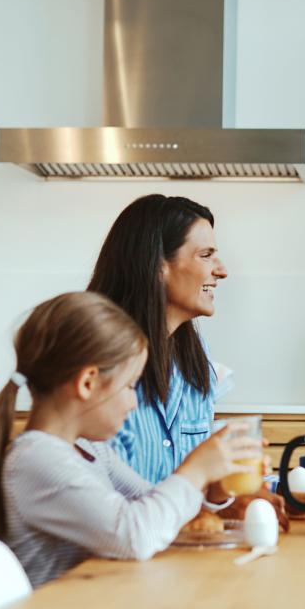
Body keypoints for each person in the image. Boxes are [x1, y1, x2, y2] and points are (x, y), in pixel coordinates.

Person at [0, 292, 260, 587]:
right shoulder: (37, 460)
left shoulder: (90, 450)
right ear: (87, 383)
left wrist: (212, 489)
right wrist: (195, 470)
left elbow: (160, 512)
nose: (134, 402)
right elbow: (135, 535)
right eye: (130, 386)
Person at [87, 194, 229, 483]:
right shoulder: (99, 355)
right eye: (206, 255)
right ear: (158, 265)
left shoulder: (196, 357)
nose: (221, 270)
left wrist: (226, 498)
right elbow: (107, 495)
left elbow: (200, 488)